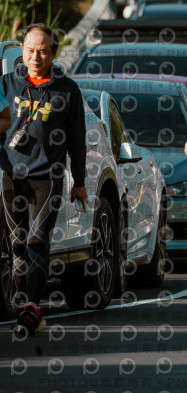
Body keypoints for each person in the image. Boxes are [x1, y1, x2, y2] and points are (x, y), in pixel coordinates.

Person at [1, 24, 87, 335]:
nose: (35, 57)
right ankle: (24, 303)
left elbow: (77, 140)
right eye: (30, 50)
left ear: (53, 53)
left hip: (47, 177)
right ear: (21, 51)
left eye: (43, 51)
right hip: (11, 175)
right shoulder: (6, 84)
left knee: (37, 240)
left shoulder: (67, 90)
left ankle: (31, 306)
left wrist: (80, 182)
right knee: (17, 243)